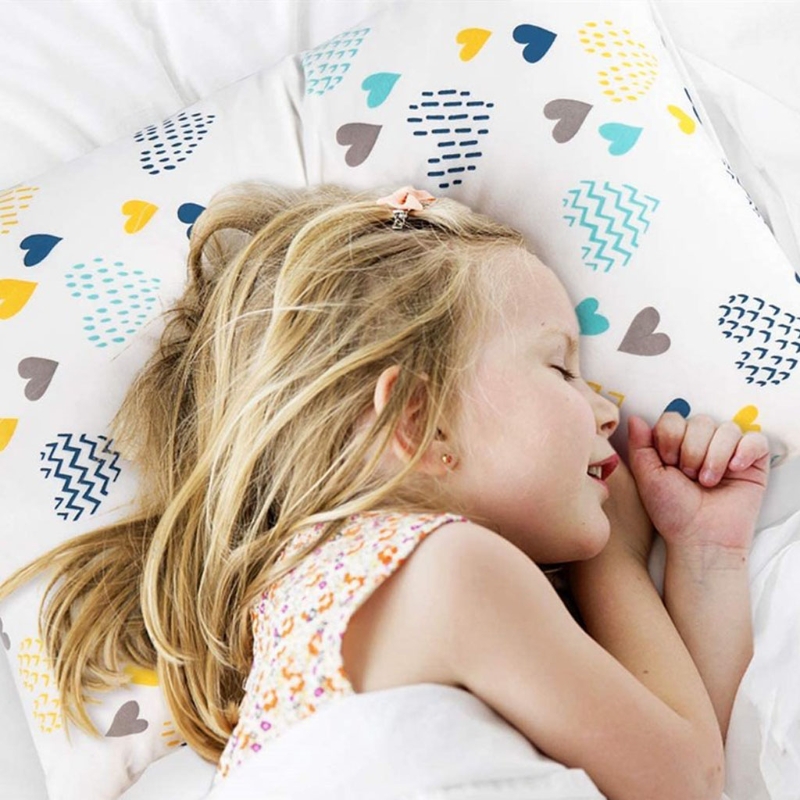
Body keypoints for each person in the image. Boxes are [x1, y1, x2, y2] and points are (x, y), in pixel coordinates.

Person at [0, 183, 770, 800]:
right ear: (416, 419)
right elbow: (684, 779)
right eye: (561, 368)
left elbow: (659, 741)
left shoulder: (293, 601)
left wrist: (707, 555)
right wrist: (617, 561)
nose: (605, 411)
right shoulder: (455, 570)